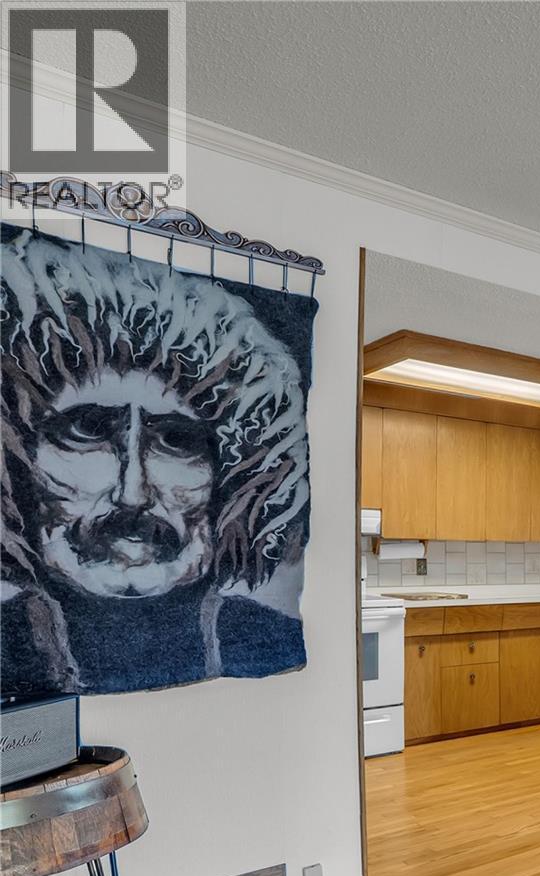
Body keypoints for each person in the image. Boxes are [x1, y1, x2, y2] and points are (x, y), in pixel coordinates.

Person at [1, 224, 312, 695]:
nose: (133, 493)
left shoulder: (263, 635)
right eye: (85, 432)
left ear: (234, 472)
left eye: (176, 441)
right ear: (18, 462)